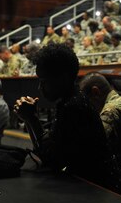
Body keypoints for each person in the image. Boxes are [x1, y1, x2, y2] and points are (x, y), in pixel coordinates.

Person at [14, 43, 110, 186]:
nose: (40, 88)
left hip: (95, 191)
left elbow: (50, 160)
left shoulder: (74, 107)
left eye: (44, 81)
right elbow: (45, 150)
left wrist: (31, 119)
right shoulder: (72, 101)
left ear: (63, 78)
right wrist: (28, 119)